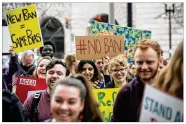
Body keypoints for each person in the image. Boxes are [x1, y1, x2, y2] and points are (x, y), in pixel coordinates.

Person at [111, 39, 163, 122]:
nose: (144, 67)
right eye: (139, 62)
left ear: (160, 61)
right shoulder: (126, 93)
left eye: (149, 62)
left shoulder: (173, 90)